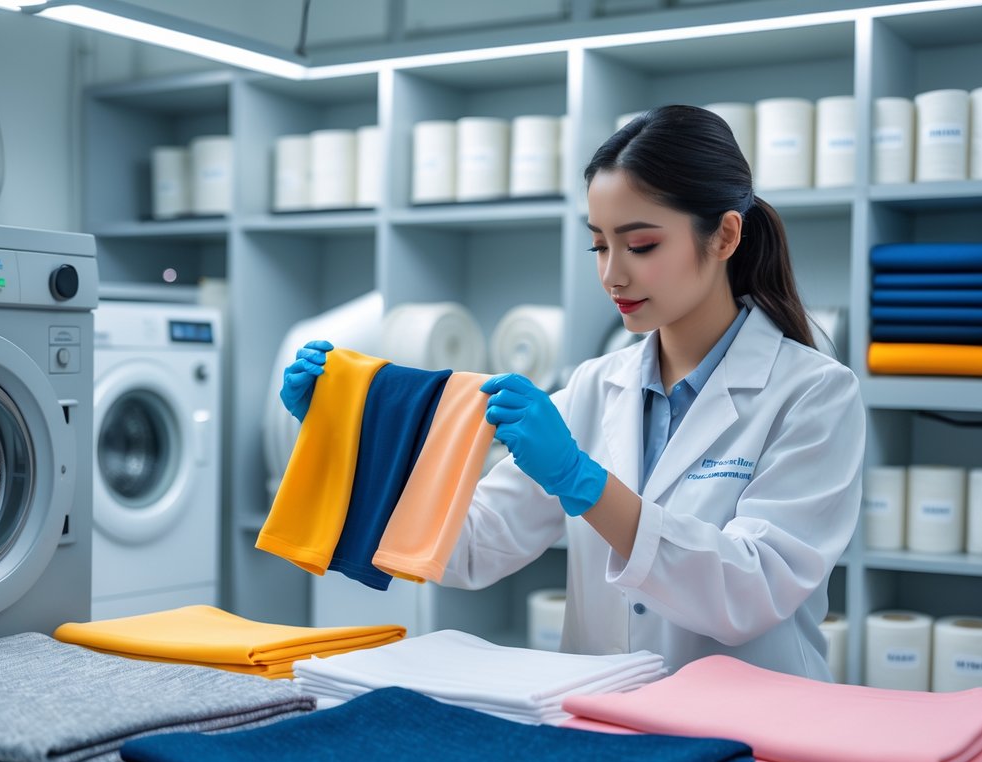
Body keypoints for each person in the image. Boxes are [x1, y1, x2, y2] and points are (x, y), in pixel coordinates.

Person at [279, 104, 865, 680]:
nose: (612, 274)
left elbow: (750, 590)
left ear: (724, 236)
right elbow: (474, 546)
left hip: (747, 731)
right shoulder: (593, 385)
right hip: (605, 720)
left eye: (640, 246)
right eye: (599, 245)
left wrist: (583, 483)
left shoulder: (813, 394)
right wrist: (347, 435)